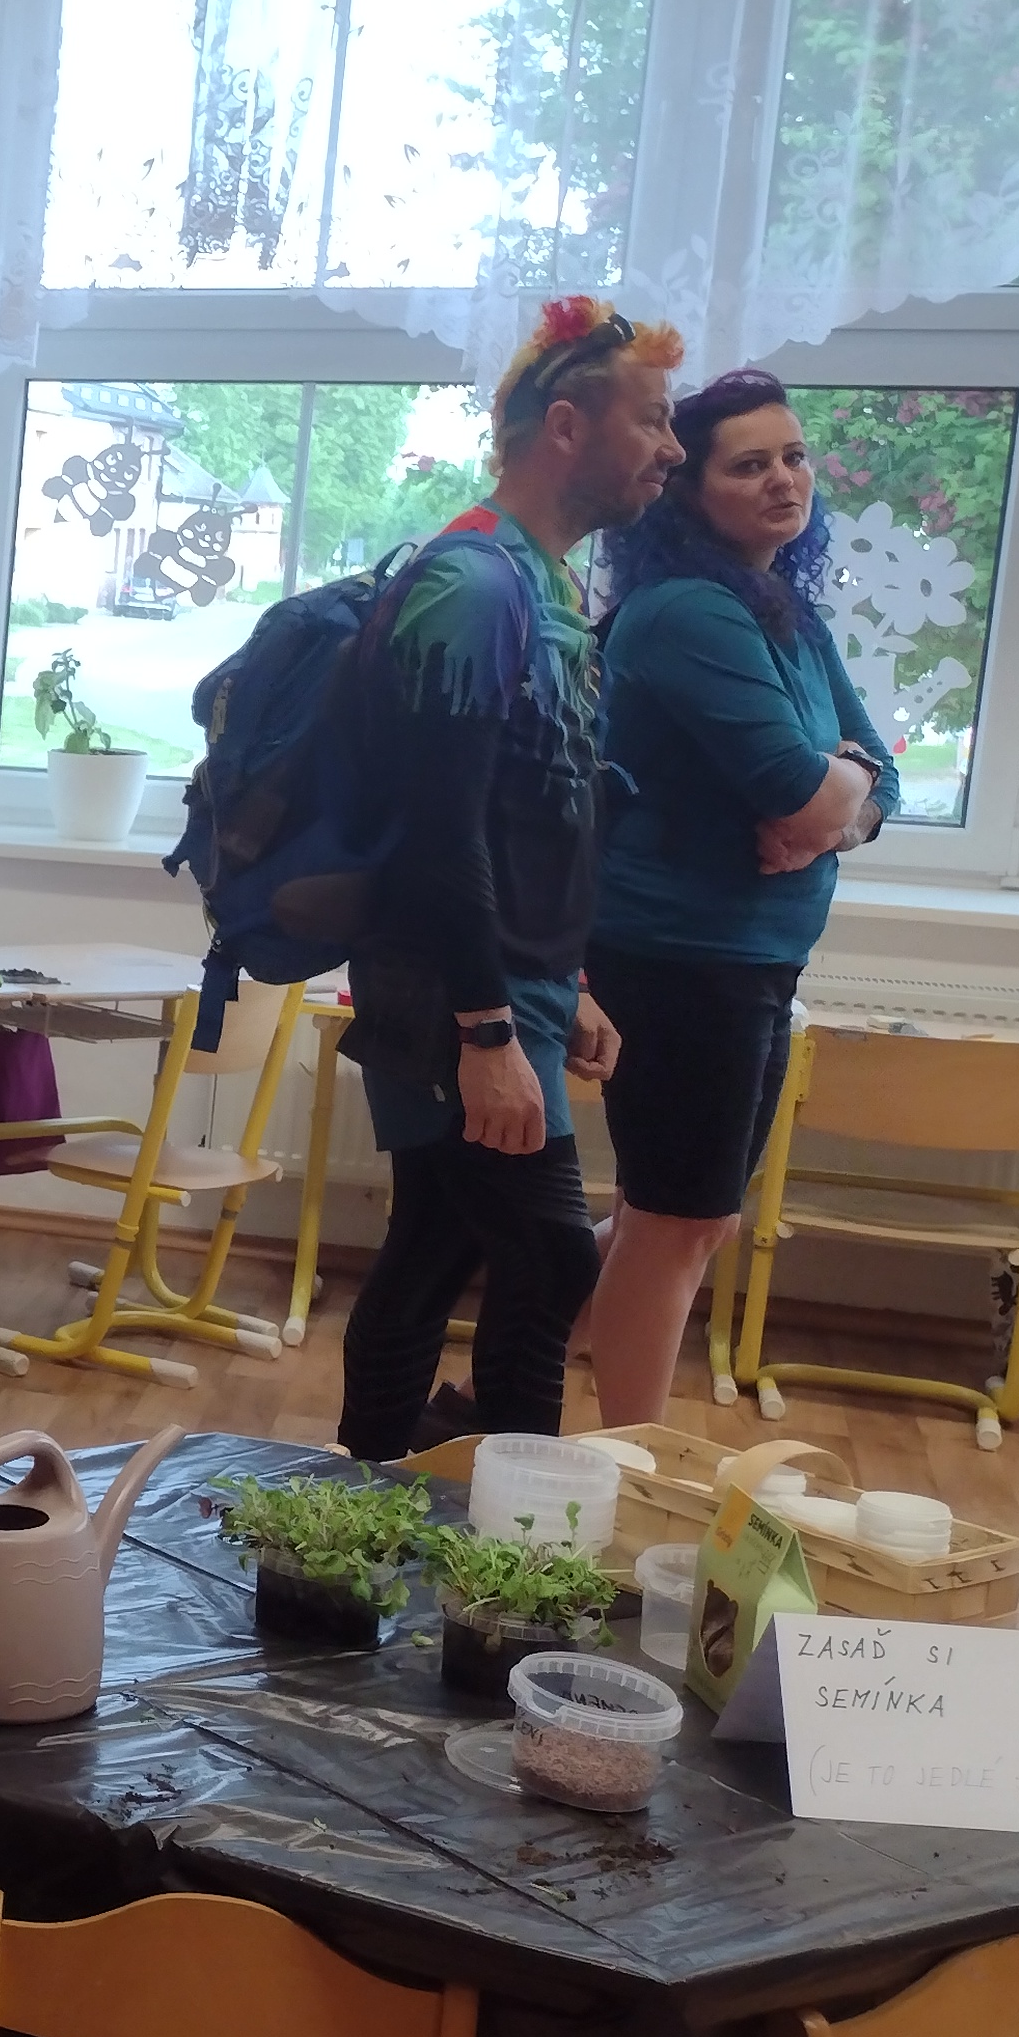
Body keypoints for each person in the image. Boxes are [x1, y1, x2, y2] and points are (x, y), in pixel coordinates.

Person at [333, 294, 680, 1461]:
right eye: (653, 420)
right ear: (568, 426)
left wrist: (562, 982)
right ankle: (508, 1528)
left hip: (506, 987)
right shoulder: (474, 587)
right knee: (548, 1258)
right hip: (447, 994)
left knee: (436, 1246)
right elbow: (439, 833)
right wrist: (485, 1030)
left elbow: (529, 815)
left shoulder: (544, 585)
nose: (671, 450)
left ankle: (380, 1500)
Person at [582, 370, 897, 1428]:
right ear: (688, 490)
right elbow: (792, 787)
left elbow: (875, 777)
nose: (783, 480)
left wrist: (843, 809)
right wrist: (834, 793)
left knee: (682, 1220)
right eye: (749, 464)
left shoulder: (782, 613)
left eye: (794, 457)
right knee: (677, 1222)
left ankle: (513, 1393)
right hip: (680, 960)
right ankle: (629, 1466)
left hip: (751, 958)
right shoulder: (687, 611)